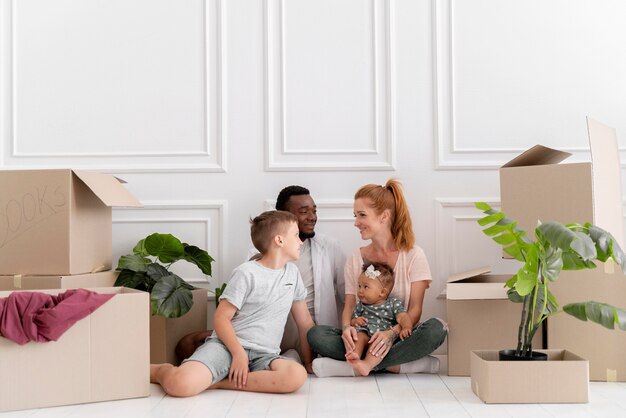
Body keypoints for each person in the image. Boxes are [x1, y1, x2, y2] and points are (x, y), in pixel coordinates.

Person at [151, 210, 314, 396]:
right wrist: (238, 354)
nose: (301, 241)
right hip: (227, 347)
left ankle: (219, 383)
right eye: (296, 235)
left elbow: (305, 323)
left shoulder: (292, 274)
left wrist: (308, 362)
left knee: (296, 376)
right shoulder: (246, 273)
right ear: (279, 240)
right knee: (180, 385)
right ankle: (160, 370)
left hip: (265, 355)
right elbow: (221, 318)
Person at [175, 185, 345, 362]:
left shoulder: (326, 249)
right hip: (263, 332)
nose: (312, 217)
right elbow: (241, 307)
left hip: (308, 335)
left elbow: (336, 300)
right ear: (284, 216)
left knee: (295, 361)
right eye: (304, 212)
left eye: (314, 211)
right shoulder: (253, 262)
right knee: (187, 344)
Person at [307, 178, 447, 377]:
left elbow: (414, 310)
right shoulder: (355, 258)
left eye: (362, 215)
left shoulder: (414, 255)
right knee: (316, 335)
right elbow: (349, 305)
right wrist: (347, 327)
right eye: (355, 216)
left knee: (436, 329)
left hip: (399, 336)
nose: (356, 223)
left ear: (384, 216)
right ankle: (399, 365)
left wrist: (391, 334)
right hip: (363, 337)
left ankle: (354, 366)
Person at [345, 262, 413, 376]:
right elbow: (352, 321)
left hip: (381, 336)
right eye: (359, 286)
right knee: (359, 336)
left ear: (382, 292)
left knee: (377, 345)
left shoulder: (392, 303)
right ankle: (354, 356)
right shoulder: (360, 305)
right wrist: (355, 321)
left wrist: (406, 327)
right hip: (364, 332)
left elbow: (403, 316)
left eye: (366, 287)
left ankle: (367, 365)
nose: (360, 291)